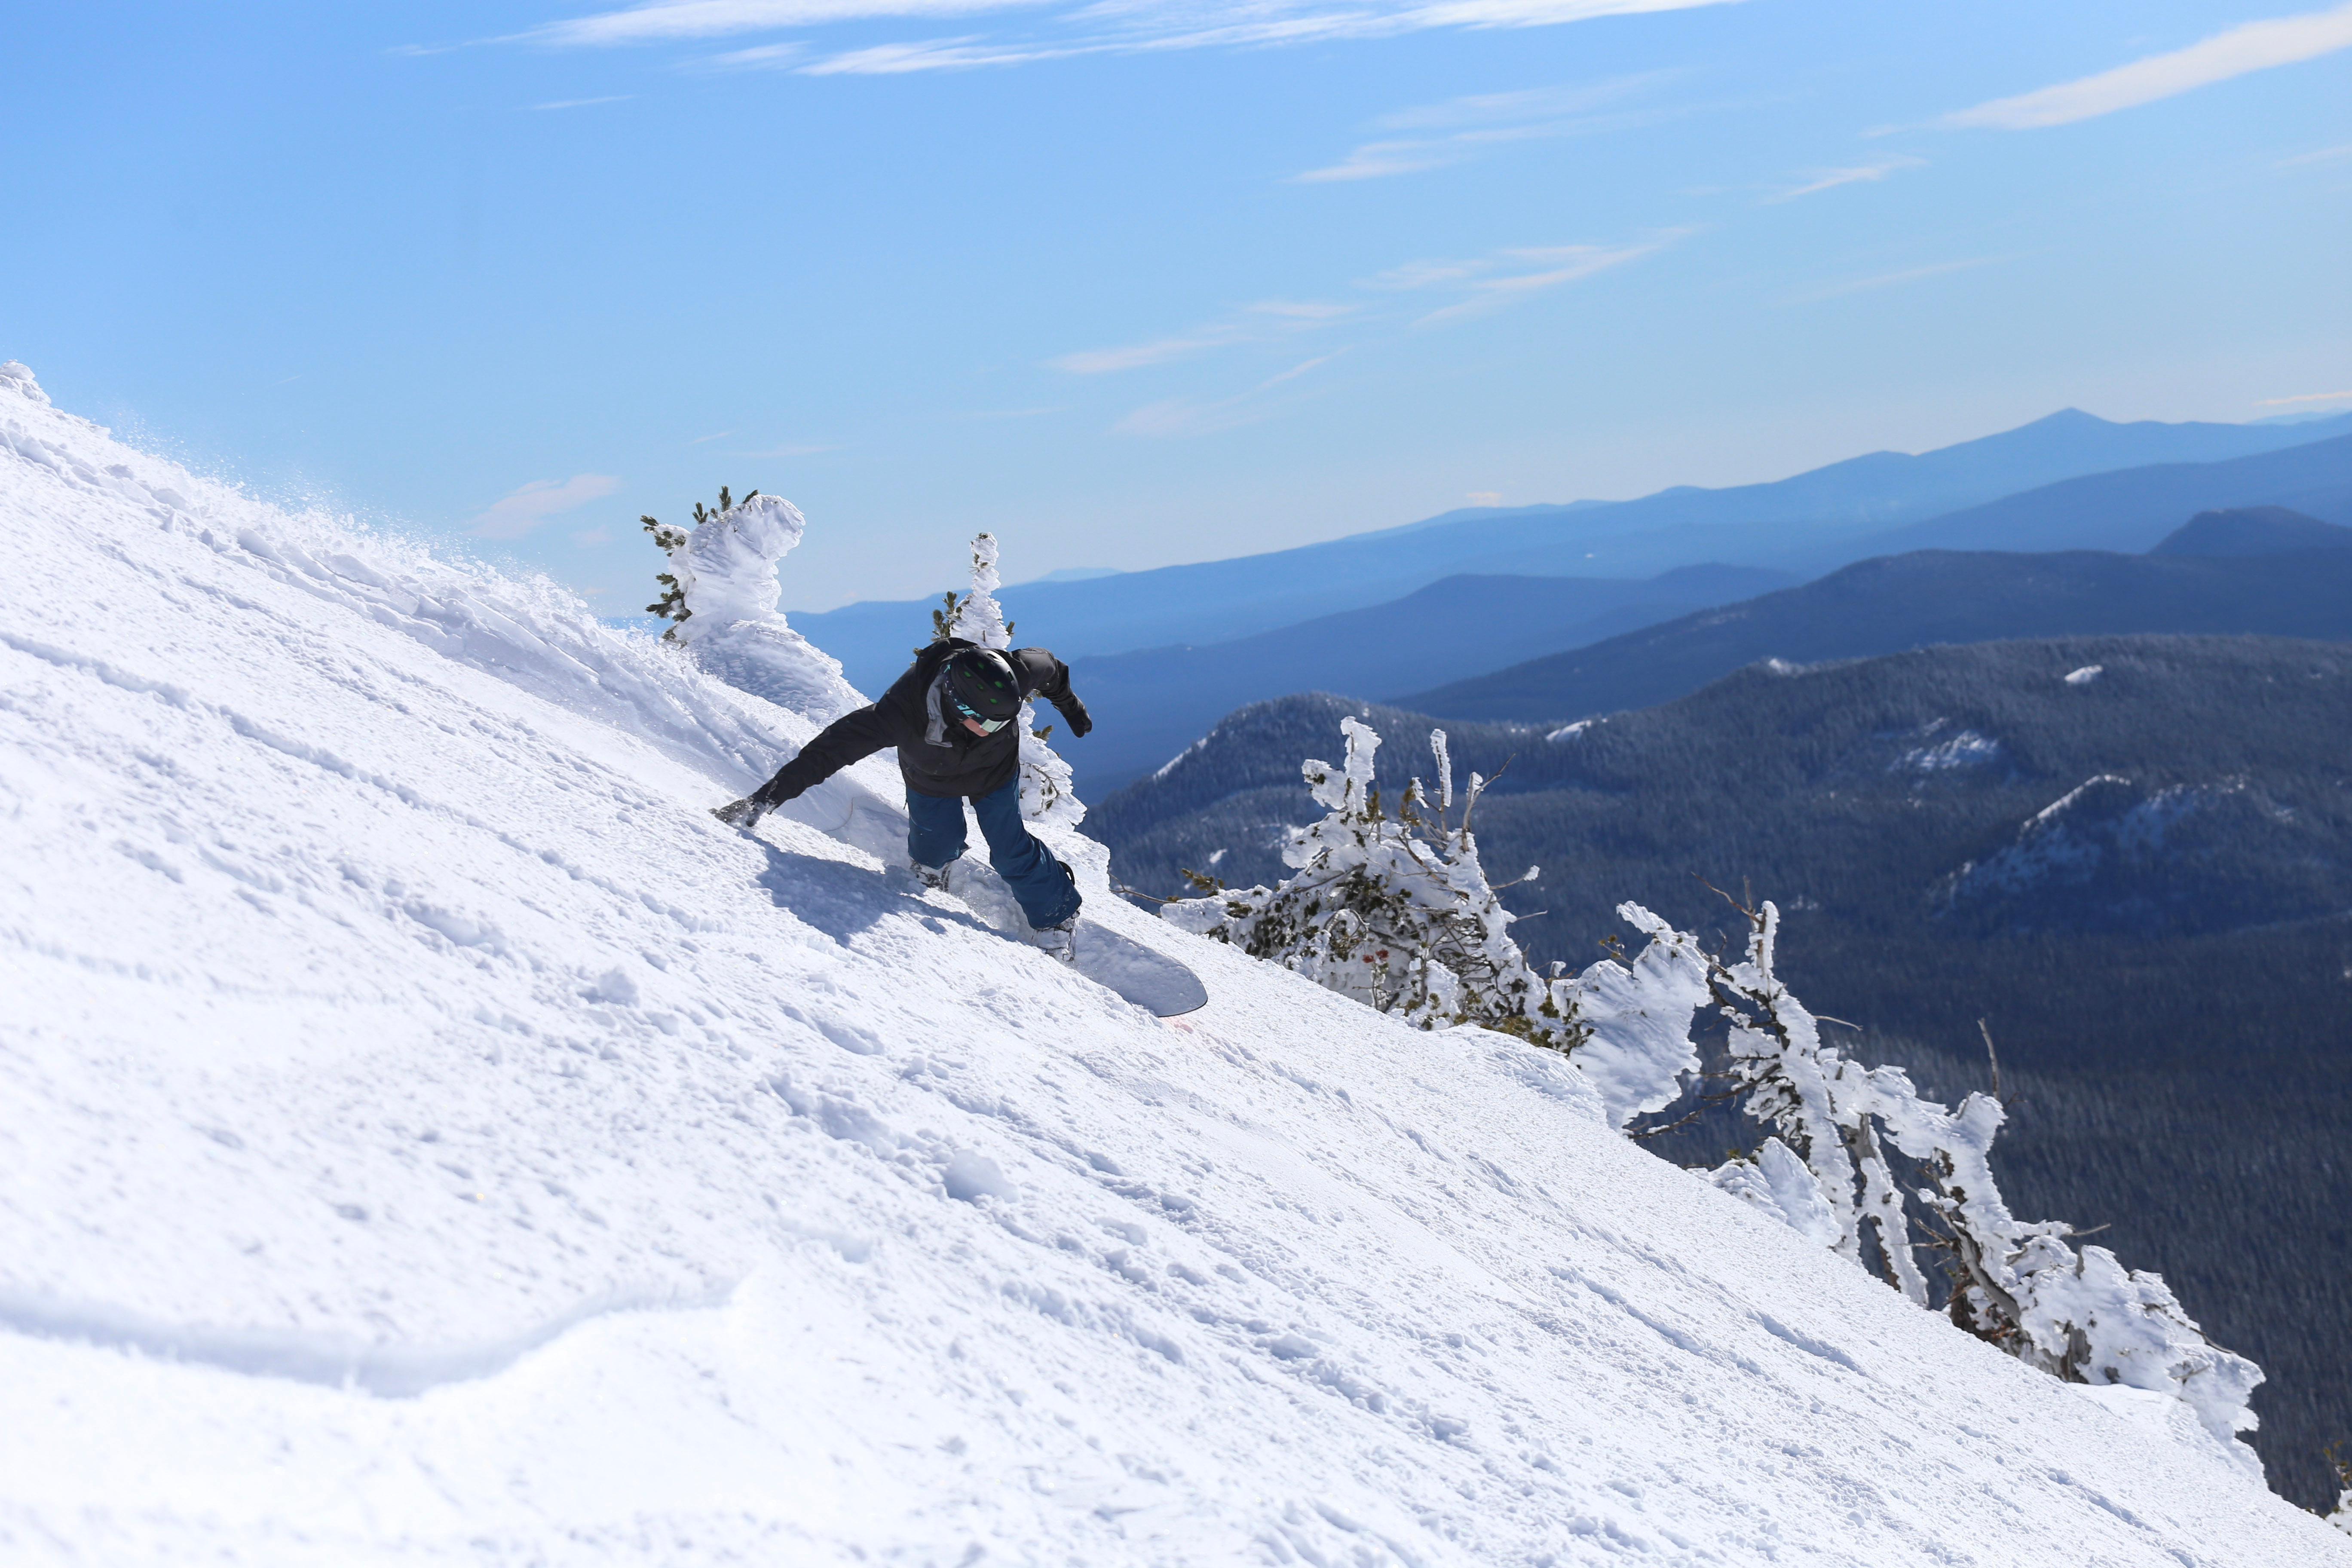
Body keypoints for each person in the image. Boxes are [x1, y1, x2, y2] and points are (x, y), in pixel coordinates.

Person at [713, 639, 1094, 960]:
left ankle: (1057, 914)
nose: (998, 727)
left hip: (993, 773)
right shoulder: (899, 713)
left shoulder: (1011, 675)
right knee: (933, 843)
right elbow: (826, 754)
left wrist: (1071, 708)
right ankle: (933, 867)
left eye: (1006, 720)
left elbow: (1053, 670)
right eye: (991, 722)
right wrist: (764, 800)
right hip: (930, 776)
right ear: (957, 705)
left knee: (1009, 846)